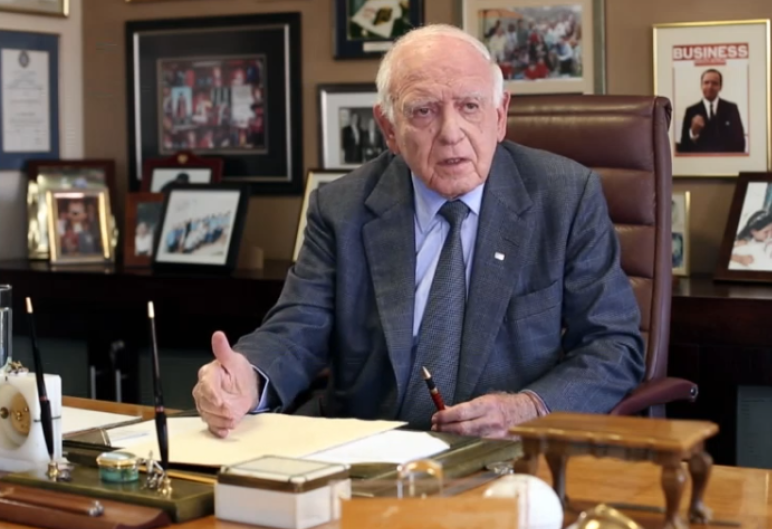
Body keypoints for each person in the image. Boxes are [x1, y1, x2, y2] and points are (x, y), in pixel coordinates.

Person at [191, 24, 645, 440]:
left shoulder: (565, 197)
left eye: (470, 106)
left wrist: (527, 408)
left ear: (501, 114)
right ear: (389, 128)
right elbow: (298, 328)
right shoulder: (342, 207)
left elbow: (613, 346)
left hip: (506, 458)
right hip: (366, 451)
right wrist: (247, 377)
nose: (451, 133)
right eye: (424, 111)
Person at [677, 69, 746, 153]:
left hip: (725, 160)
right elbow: (684, 148)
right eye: (706, 82)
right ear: (701, 86)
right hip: (700, 160)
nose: (710, 86)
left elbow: (740, 143)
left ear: (720, 87)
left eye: (714, 83)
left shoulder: (731, 109)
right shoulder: (690, 111)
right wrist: (693, 133)